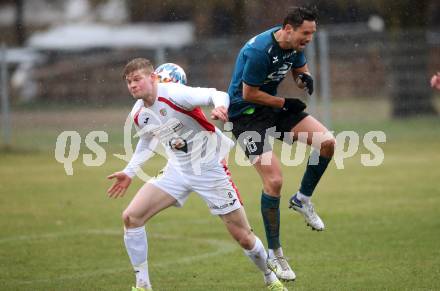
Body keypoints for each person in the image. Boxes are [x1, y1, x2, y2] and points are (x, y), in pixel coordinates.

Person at [107, 58, 287, 291]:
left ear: (153, 79)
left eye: (137, 79)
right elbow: (147, 140)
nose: (132, 85)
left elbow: (217, 94)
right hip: (177, 170)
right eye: (129, 82)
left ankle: (270, 278)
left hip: (209, 170)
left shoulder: (176, 93)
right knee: (131, 217)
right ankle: (142, 285)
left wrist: (221, 106)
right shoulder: (139, 112)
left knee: (243, 236)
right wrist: (129, 172)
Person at [227, 6, 336, 281]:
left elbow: (298, 65)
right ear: (288, 29)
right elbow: (249, 93)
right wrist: (284, 102)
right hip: (246, 117)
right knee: (274, 181)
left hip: (272, 110)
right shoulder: (258, 52)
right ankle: (276, 253)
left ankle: (302, 199)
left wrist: (304, 78)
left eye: (312, 33)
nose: (309, 38)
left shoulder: (293, 43)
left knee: (327, 143)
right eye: (305, 33)